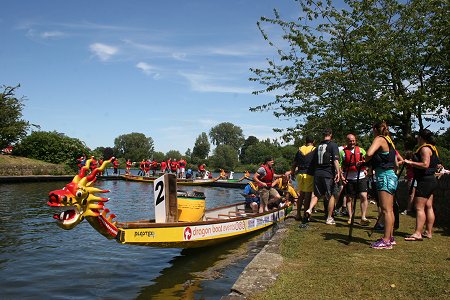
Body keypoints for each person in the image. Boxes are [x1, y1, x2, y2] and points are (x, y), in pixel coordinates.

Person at [365, 121, 399, 249]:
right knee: (389, 209)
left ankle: (386, 241)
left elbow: (369, 153)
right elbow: (396, 162)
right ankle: (390, 237)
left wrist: (365, 160)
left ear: (375, 129)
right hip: (391, 175)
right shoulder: (390, 141)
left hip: (384, 176)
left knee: (386, 210)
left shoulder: (379, 139)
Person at [404, 129, 440, 241]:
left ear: (421, 138)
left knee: (419, 207)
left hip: (425, 180)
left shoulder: (424, 149)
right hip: (431, 180)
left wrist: (410, 162)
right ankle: (428, 232)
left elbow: (425, 164)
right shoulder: (433, 149)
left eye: (418, 137)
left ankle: (418, 233)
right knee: (428, 206)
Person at [339, 134, 370, 225]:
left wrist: (366, 170)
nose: (352, 142)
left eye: (353, 141)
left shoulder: (361, 150)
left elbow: (368, 162)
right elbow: (340, 166)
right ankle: (350, 217)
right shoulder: (342, 153)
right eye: (350, 141)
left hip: (361, 176)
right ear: (347, 141)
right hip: (349, 177)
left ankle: (363, 217)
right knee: (349, 198)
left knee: (363, 196)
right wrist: (341, 176)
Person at [312, 128, 341, 225]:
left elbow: (314, 161)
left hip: (318, 172)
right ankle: (329, 217)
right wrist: (338, 172)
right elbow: (336, 160)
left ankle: (308, 210)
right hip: (328, 172)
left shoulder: (318, 146)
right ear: (331, 135)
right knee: (332, 195)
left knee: (319, 195)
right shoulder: (333, 145)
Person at [289, 135, 317, 222]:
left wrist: (292, 173)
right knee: (308, 195)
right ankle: (306, 215)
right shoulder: (314, 150)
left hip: (299, 174)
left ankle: (298, 214)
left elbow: (294, 164)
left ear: (306, 141)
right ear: (314, 141)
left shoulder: (300, 150)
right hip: (309, 174)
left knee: (300, 195)